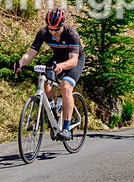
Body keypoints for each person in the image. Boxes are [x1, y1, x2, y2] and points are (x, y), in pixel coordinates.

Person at [15, 8, 85, 141]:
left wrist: (61, 66)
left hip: (74, 60)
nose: (53, 32)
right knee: (46, 83)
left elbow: (73, 60)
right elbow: (31, 53)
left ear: (62, 25)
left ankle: (66, 128)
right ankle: (54, 111)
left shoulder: (71, 34)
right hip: (57, 57)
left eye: (56, 29)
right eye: (51, 29)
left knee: (65, 87)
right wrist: (21, 63)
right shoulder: (43, 32)